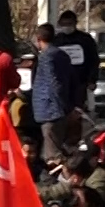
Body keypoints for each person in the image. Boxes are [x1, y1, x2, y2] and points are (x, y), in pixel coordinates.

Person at [31, 23, 77, 156]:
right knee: (57, 146)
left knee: (52, 153)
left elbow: (53, 83)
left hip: (50, 109)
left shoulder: (46, 57)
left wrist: (60, 106)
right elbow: (72, 80)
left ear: (39, 39)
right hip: (60, 109)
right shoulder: (62, 55)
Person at [50, 10, 100, 121]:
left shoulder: (85, 40)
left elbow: (94, 60)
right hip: (61, 83)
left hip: (80, 82)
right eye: (64, 24)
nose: (66, 27)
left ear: (75, 23)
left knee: (77, 113)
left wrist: (92, 80)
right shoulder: (56, 41)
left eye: (69, 24)